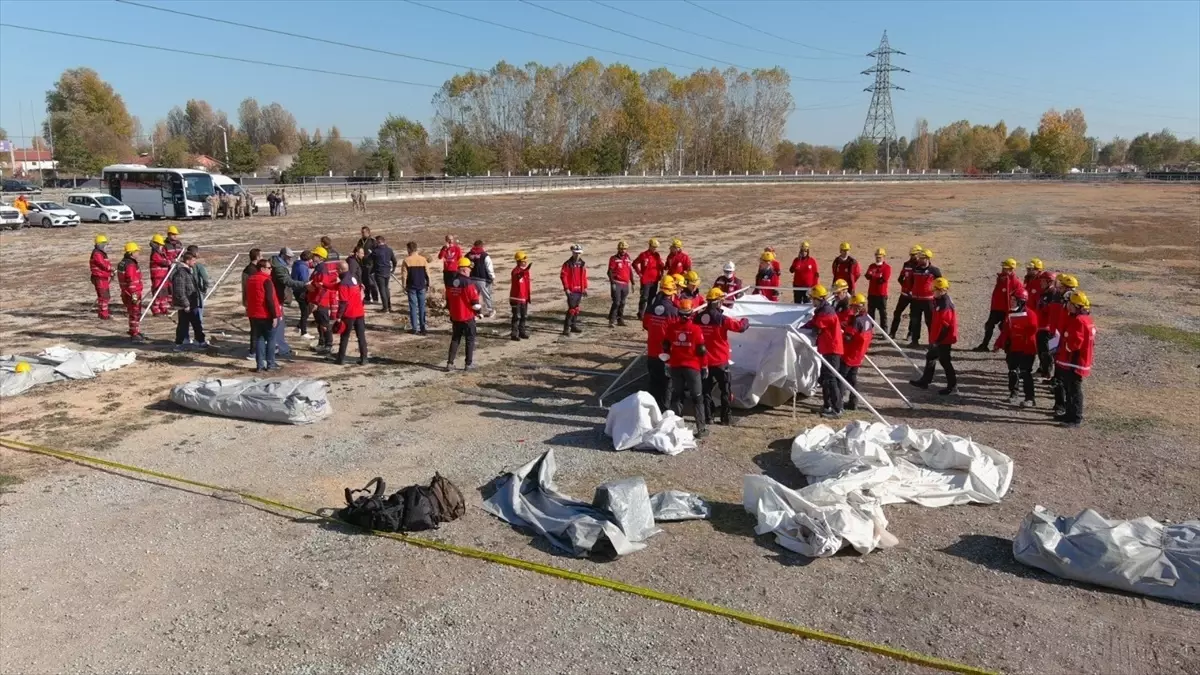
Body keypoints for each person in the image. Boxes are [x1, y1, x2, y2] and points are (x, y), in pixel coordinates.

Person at [695, 288, 749, 425]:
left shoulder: (698, 318)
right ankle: (726, 418)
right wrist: (745, 320)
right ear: (719, 302)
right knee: (725, 390)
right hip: (720, 361)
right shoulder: (722, 319)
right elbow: (740, 327)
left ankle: (708, 417)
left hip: (704, 361)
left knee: (706, 390)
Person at [663, 297, 708, 438]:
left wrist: (667, 362)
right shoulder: (695, 329)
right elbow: (701, 351)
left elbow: (665, 346)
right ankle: (701, 429)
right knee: (697, 397)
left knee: (677, 396)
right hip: (692, 368)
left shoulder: (671, 328)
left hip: (676, 366)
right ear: (691, 314)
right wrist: (705, 366)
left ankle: (675, 427)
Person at [910, 277, 958, 395]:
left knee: (945, 362)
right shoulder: (939, 301)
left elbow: (945, 326)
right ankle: (925, 381)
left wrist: (937, 341)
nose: (933, 292)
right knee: (931, 356)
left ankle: (953, 386)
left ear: (942, 290)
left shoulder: (945, 305)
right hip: (939, 338)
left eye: (935, 290)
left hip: (944, 339)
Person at [802, 284, 844, 418]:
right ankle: (827, 406)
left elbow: (817, 326)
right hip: (827, 348)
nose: (811, 301)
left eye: (813, 299)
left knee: (831, 379)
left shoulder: (827, 313)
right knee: (826, 379)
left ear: (818, 299)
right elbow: (814, 322)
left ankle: (837, 409)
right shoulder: (823, 310)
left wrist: (806, 327)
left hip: (832, 349)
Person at [993, 286, 1039, 407]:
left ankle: (1030, 398)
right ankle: (1013, 393)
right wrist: (999, 343)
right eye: (1011, 299)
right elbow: (1005, 331)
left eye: (1014, 300)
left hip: (1026, 349)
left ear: (1021, 301)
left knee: (1025, 373)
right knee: (1012, 371)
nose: (1011, 302)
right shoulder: (1010, 313)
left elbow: (1032, 331)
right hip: (1013, 348)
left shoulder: (1031, 315)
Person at [1055, 291, 1094, 428]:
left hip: (1075, 361)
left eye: (1070, 304)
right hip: (1078, 361)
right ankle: (1069, 414)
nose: (1068, 306)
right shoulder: (1086, 319)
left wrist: (1065, 345)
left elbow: (1075, 343)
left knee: (1074, 390)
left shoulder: (1078, 321)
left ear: (1077, 306)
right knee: (1071, 388)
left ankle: (1075, 417)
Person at [643, 276, 680, 409]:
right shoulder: (673, 311)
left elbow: (646, 324)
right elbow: (677, 332)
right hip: (666, 354)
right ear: (672, 293)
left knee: (653, 383)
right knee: (667, 385)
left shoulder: (651, 308)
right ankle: (664, 412)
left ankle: (651, 411)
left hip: (652, 352)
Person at [974, 258, 1024, 352]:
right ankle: (984, 345)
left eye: (1005, 268)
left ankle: (1009, 346)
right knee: (989, 325)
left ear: (1011, 269)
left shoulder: (1016, 282)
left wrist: (1012, 311)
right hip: (996, 308)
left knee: (1004, 328)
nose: (1003, 269)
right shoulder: (1002, 278)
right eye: (1003, 268)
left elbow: (1019, 297)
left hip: (1006, 309)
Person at [270, 248, 309, 359]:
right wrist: (304, 284)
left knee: (279, 323)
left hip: (277, 297)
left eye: (291, 257)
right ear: (282, 255)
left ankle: (278, 346)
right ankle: (279, 348)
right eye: (288, 257)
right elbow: (287, 281)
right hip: (276, 297)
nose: (290, 259)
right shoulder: (279, 268)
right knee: (278, 324)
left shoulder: (277, 263)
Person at [245, 257, 281, 372]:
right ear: (262, 268)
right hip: (266, 315)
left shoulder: (250, 279)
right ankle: (270, 364)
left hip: (254, 315)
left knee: (259, 339)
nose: (271, 270)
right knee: (271, 339)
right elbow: (269, 300)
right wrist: (274, 316)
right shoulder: (266, 281)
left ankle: (260, 365)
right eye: (269, 268)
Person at [445, 257, 482, 371]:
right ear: (465, 269)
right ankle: (468, 364)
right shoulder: (469, 283)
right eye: (469, 268)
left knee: (455, 339)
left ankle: (450, 363)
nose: (470, 271)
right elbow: (475, 303)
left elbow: (448, 300)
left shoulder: (451, 282)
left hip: (455, 316)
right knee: (470, 339)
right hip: (467, 316)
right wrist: (479, 312)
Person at [840, 294, 873, 411]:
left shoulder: (856, 320)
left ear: (858, 307)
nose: (851, 309)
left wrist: (842, 331)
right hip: (859, 354)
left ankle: (838, 403)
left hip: (850, 354)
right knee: (852, 379)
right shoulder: (868, 319)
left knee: (841, 378)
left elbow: (848, 337)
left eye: (853, 307)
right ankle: (853, 401)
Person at [334, 260, 368, 366]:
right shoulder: (353, 278)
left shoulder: (343, 284)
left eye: (337, 269)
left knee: (344, 336)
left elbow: (343, 302)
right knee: (361, 336)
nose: (336, 271)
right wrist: (324, 285)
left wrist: (338, 316)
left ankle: (340, 359)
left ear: (340, 270)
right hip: (359, 312)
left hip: (349, 314)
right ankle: (364, 358)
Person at [307, 247, 340, 355]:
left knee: (324, 324)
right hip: (316, 300)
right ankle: (322, 343)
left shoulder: (322, 269)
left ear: (320, 257)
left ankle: (328, 345)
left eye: (315, 255)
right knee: (319, 323)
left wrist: (316, 302)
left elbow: (323, 288)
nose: (313, 257)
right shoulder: (319, 268)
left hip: (321, 302)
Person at [170, 252, 207, 349]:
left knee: (195, 323)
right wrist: (186, 304)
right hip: (187, 304)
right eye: (193, 261)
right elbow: (179, 291)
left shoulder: (187, 271)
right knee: (184, 324)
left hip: (192, 302)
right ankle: (180, 343)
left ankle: (200, 341)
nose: (195, 263)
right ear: (187, 261)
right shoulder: (181, 273)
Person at [906, 248, 942, 346]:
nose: (920, 260)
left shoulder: (934, 271)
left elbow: (940, 284)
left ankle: (932, 342)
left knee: (930, 322)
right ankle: (914, 341)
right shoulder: (915, 269)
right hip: (916, 300)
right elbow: (911, 281)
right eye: (920, 258)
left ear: (928, 259)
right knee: (915, 321)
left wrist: (938, 298)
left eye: (922, 258)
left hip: (929, 301)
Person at [888, 244, 923, 339]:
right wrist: (905, 288)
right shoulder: (906, 264)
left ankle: (910, 333)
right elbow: (900, 278)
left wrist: (914, 290)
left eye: (915, 254)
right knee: (897, 312)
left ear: (919, 254)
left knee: (913, 315)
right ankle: (892, 332)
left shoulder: (921, 266)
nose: (913, 256)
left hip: (915, 296)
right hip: (904, 294)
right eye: (911, 254)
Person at [117, 242, 147, 343]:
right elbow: (131, 280)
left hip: (126, 292)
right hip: (133, 292)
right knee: (135, 313)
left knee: (132, 312)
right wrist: (134, 296)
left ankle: (134, 330)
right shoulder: (130, 265)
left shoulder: (123, 263)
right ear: (131, 253)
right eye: (136, 251)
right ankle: (134, 333)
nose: (138, 253)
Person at [400, 241, 431, 335]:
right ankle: (423, 327)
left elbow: (404, 275)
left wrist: (404, 286)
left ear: (409, 249)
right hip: (422, 285)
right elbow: (427, 274)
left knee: (413, 307)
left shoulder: (406, 260)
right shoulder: (423, 259)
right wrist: (429, 285)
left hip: (411, 286)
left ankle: (414, 328)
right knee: (422, 307)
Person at [1033, 271, 1060, 377]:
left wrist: (1045, 307)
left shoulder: (1053, 295)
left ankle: (1046, 371)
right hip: (1040, 326)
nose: (1041, 283)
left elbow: (1052, 312)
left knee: (1046, 351)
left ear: (1050, 282)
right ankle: (1042, 368)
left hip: (1047, 328)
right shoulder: (1044, 293)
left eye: (1043, 281)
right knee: (1041, 350)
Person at [560, 244, 588, 336]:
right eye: (576, 253)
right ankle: (566, 329)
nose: (577, 255)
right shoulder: (567, 264)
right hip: (571, 290)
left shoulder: (582, 263)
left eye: (579, 253)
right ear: (572, 253)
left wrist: (584, 288)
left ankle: (573, 326)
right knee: (571, 309)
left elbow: (584, 276)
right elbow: (563, 276)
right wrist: (566, 288)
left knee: (576, 309)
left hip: (579, 290)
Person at [632, 238, 664, 319]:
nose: (655, 249)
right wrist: (639, 273)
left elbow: (660, 265)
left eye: (656, 247)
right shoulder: (643, 255)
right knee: (644, 297)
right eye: (653, 247)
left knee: (652, 297)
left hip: (655, 280)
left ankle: (648, 313)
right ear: (649, 246)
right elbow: (634, 263)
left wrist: (661, 274)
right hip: (645, 280)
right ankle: (640, 313)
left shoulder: (657, 255)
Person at [466, 239, 495, 318]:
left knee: (474, 296)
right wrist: (492, 277)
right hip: (482, 279)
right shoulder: (484, 255)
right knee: (486, 295)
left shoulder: (468, 255)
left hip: (471, 278)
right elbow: (489, 267)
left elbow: (464, 265)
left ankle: (477, 312)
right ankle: (490, 310)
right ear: (482, 246)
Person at [607, 240, 633, 327]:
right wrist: (612, 283)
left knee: (622, 302)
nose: (623, 250)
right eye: (622, 249)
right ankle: (612, 320)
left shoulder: (628, 257)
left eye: (625, 249)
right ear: (618, 249)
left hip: (625, 284)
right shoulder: (613, 259)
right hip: (617, 283)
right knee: (616, 302)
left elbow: (630, 270)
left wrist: (632, 282)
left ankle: (620, 319)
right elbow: (609, 272)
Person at [864, 247, 891, 329]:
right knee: (870, 313)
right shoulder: (871, 266)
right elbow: (867, 276)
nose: (878, 259)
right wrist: (876, 276)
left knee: (883, 313)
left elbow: (883, 280)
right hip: (872, 293)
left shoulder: (887, 268)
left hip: (881, 294)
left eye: (880, 257)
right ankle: (869, 329)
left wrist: (873, 275)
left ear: (883, 257)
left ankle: (884, 330)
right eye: (877, 257)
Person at [371, 235, 397, 313]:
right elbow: (394, 261)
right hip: (387, 271)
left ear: (378, 242)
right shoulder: (389, 250)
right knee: (386, 288)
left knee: (382, 289)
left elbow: (369, 259)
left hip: (379, 272)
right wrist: (393, 269)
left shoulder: (376, 251)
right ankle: (389, 306)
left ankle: (385, 307)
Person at [510, 250, 533, 340]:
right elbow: (518, 276)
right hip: (516, 298)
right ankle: (514, 334)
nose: (525, 263)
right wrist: (525, 271)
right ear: (518, 261)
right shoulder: (515, 271)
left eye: (525, 261)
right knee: (516, 317)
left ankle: (522, 332)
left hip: (524, 298)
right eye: (523, 261)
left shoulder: (525, 272)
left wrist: (527, 297)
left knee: (524, 316)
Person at [148, 234, 172, 316]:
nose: (162, 246)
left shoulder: (162, 253)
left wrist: (171, 261)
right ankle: (155, 309)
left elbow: (167, 260)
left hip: (164, 276)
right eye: (161, 245)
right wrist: (170, 262)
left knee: (164, 293)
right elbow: (162, 262)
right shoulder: (155, 254)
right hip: (157, 276)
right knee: (158, 293)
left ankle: (163, 307)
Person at [90, 235, 113, 320]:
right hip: (99, 278)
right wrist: (110, 269)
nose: (106, 246)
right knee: (104, 296)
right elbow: (102, 264)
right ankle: (103, 314)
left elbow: (106, 263)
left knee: (105, 296)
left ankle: (103, 312)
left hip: (103, 277)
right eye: (104, 244)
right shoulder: (97, 253)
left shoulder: (101, 253)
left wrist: (110, 271)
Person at [292, 250, 314, 339]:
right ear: (309, 260)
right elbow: (304, 280)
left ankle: (299, 326)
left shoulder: (297, 264)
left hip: (296, 290)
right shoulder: (303, 267)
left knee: (307, 309)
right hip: (301, 291)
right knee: (305, 310)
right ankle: (303, 332)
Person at [185, 245, 210, 321]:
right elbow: (205, 279)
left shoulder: (181, 265)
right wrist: (204, 289)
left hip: (185, 294)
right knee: (198, 313)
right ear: (195, 253)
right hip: (196, 292)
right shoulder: (198, 266)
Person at [356, 227, 379, 304]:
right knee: (364, 281)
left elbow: (375, 253)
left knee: (371, 282)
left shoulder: (373, 241)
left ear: (368, 232)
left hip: (370, 264)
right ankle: (367, 298)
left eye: (363, 232)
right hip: (362, 264)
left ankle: (375, 298)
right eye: (361, 232)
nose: (362, 234)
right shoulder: (360, 241)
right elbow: (356, 249)